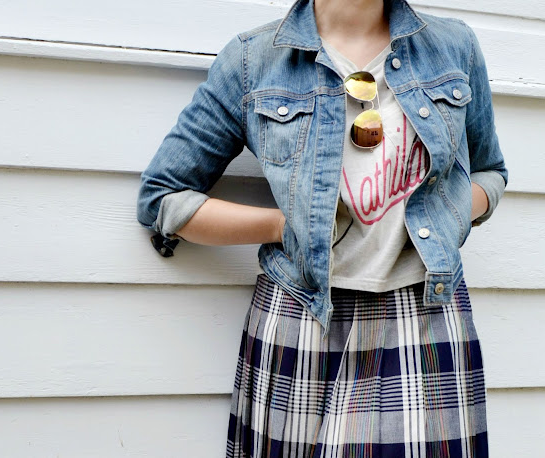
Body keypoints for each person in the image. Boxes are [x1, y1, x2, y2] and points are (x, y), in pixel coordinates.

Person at [137, 0, 508, 456]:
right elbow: (163, 197)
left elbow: (489, 170)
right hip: (302, 316)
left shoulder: (453, 48)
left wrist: (447, 212)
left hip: (424, 313)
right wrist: (283, 226)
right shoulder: (255, 61)